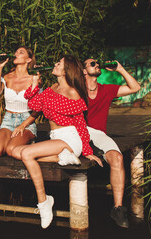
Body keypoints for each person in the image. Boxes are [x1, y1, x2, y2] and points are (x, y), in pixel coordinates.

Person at [12, 55, 103, 229]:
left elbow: (81, 124)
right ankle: (61, 157)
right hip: (56, 139)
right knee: (16, 152)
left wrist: (87, 151)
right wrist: (34, 84)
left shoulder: (73, 92)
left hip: (70, 139)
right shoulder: (51, 88)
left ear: (66, 70)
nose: (54, 64)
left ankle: (44, 201)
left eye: (59, 63)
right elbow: (34, 105)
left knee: (26, 153)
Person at [83, 59, 141, 228]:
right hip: (78, 132)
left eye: (97, 63)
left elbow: (135, 88)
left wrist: (120, 69)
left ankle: (117, 208)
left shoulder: (106, 90)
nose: (96, 64)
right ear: (84, 71)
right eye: (92, 63)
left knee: (117, 157)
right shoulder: (77, 89)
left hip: (99, 134)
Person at [0, 46, 39, 158]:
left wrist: (23, 125)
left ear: (29, 60)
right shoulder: (7, 77)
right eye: (16, 51)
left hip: (27, 120)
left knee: (11, 149)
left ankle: (30, 144)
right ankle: (16, 140)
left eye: (21, 52)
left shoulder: (34, 78)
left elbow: (37, 109)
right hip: (8, 119)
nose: (16, 54)